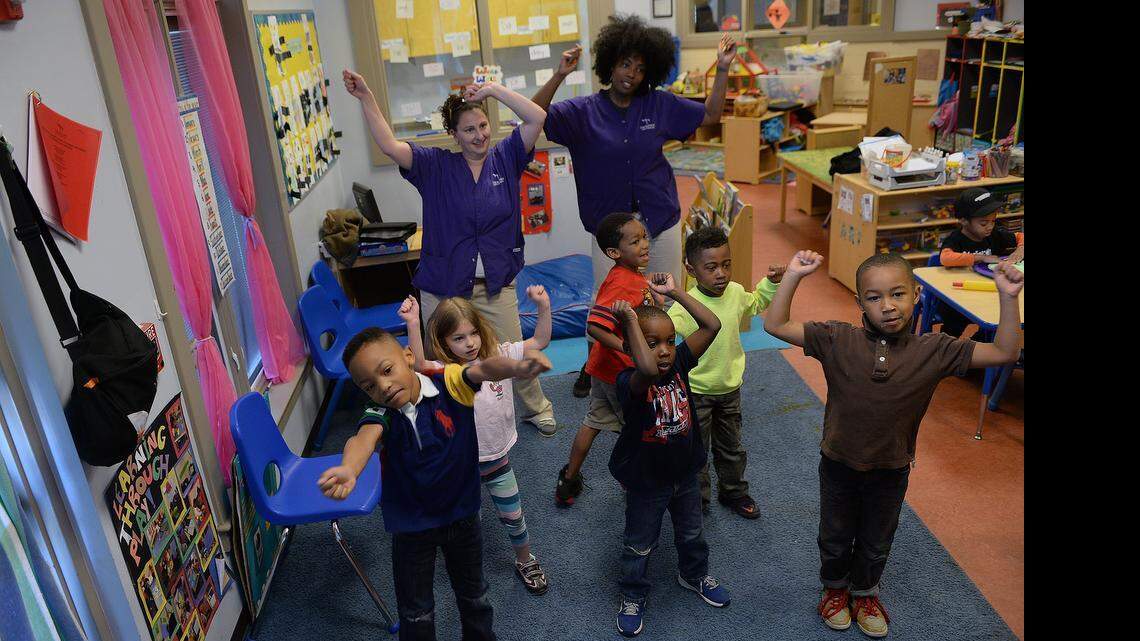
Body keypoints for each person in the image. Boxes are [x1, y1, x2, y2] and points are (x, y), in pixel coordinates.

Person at [764, 251, 1023, 638]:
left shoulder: (935, 350)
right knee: (834, 534)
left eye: (898, 294)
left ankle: (865, 591)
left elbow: (1004, 352)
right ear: (859, 303)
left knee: (877, 537)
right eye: (873, 297)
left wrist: (1008, 296)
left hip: (892, 467)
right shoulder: (837, 338)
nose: (887, 306)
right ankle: (834, 590)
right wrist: (795, 275)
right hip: (838, 462)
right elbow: (776, 323)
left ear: (916, 294)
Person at [530, 15, 736, 398]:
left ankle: (664, 370)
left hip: (659, 220)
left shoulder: (658, 105)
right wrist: (559, 75)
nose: (632, 74)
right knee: (607, 306)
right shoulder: (582, 112)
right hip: (611, 231)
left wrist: (722, 68)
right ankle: (595, 368)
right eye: (625, 64)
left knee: (662, 299)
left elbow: (710, 115)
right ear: (610, 64)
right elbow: (534, 117)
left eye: (641, 68)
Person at [343, 70, 558, 436]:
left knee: (511, 349)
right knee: (440, 361)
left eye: (483, 126)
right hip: (444, 285)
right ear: (455, 135)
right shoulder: (435, 166)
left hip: (495, 281)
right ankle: (443, 420)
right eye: (470, 130)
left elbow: (537, 116)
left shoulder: (506, 156)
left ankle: (537, 407)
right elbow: (389, 145)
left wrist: (492, 89)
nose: (480, 136)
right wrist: (366, 97)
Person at [317, 327, 551, 641]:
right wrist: (349, 468)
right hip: (411, 527)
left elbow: (483, 369)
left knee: (475, 597)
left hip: (463, 516)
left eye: (387, 371)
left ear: (408, 357)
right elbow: (362, 439)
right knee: (416, 613)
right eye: (369, 385)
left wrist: (517, 367)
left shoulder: (450, 384)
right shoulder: (381, 411)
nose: (383, 387)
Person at [397, 291, 551, 595]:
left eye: (473, 333)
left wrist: (544, 306)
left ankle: (525, 559)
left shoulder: (499, 354)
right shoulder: (444, 370)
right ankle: (468, 568)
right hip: (460, 464)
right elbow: (416, 364)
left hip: (497, 459)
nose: (469, 343)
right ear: (443, 342)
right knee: (467, 525)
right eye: (458, 338)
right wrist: (413, 323)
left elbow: (539, 342)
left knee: (514, 515)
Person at [609, 274, 729, 637]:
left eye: (669, 341)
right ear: (630, 348)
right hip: (646, 482)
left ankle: (693, 575)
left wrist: (675, 293)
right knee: (640, 543)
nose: (663, 350)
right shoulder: (630, 380)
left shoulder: (678, 362)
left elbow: (713, 323)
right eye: (651, 343)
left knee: (692, 533)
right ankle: (633, 593)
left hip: (685, 474)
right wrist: (630, 319)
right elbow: (646, 368)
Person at [667, 226, 786, 519]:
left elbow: (755, 302)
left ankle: (734, 491)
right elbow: (665, 344)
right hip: (696, 393)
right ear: (690, 269)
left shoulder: (734, 293)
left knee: (732, 447)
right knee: (697, 452)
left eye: (726, 264)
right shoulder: (684, 308)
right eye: (711, 267)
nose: (721, 273)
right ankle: (699, 500)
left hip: (730, 390)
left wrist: (771, 283)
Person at [554, 213, 655, 507]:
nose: (645, 244)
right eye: (635, 241)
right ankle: (633, 480)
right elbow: (595, 325)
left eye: (644, 236)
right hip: (620, 375)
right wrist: (628, 348)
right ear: (614, 253)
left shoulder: (630, 275)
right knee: (636, 428)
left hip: (601, 368)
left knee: (594, 420)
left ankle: (569, 478)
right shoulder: (623, 282)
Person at [937, 187, 1024, 337]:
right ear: (964, 221)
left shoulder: (995, 234)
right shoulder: (956, 239)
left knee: (1000, 317)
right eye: (983, 223)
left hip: (990, 294)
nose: (990, 226)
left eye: (993, 221)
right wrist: (981, 258)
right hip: (959, 297)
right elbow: (945, 258)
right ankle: (947, 348)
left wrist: (1020, 250)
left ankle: (981, 341)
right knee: (954, 323)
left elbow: (1020, 236)